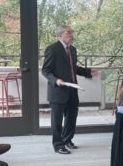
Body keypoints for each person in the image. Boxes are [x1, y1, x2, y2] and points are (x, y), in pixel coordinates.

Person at [42, 25, 100, 154]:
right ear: (60, 34)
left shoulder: (72, 50)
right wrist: (56, 80)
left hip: (73, 89)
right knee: (57, 120)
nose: (71, 35)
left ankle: (67, 140)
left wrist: (89, 72)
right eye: (69, 32)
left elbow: (73, 68)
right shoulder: (52, 49)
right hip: (58, 90)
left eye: (72, 32)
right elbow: (46, 70)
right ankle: (58, 145)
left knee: (71, 117)